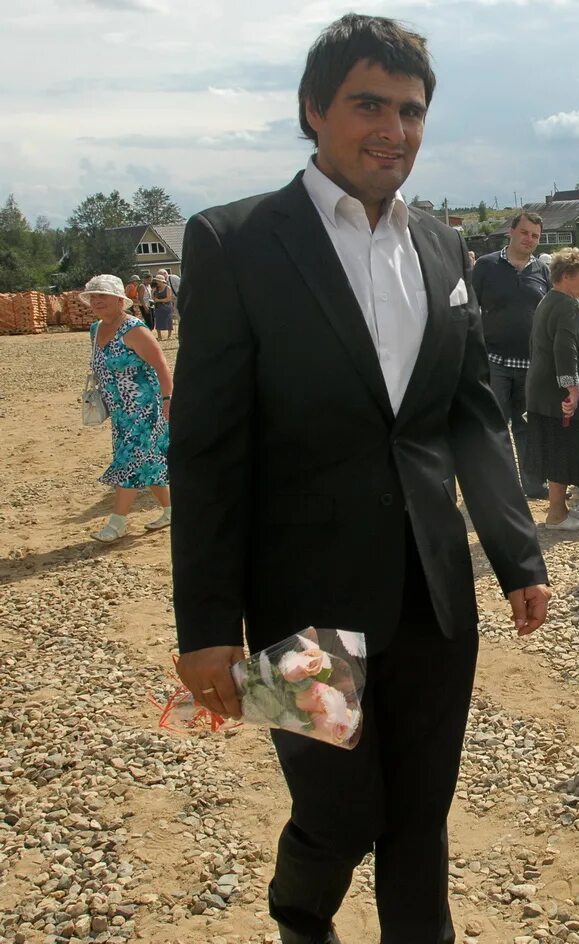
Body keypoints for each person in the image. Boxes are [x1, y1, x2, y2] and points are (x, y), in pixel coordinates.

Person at [168, 16, 551, 944]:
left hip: (432, 588)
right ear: (314, 111)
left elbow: (468, 412)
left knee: (420, 814)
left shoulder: (442, 249)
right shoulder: (236, 241)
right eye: (367, 105)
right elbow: (208, 447)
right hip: (302, 595)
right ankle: (301, 914)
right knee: (341, 811)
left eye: (411, 111)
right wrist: (207, 627)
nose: (394, 129)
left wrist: (516, 552)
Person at [83, 274, 173, 542]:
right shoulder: (95, 329)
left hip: (146, 408)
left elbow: (161, 366)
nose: (96, 301)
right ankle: (171, 511)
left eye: (102, 296)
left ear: (119, 300)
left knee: (129, 461)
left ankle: (117, 523)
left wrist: (168, 401)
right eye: (92, 297)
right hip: (120, 411)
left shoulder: (134, 329)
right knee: (149, 462)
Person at [471, 209, 551, 498]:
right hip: (495, 362)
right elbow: (469, 309)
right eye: (525, 232)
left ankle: (531, 485)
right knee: (494, 426)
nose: (529, 239)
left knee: (527, 428)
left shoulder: (542, 271)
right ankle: (496, 487)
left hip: (531, 365)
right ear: (511, 231)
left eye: (535, 236)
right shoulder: (485, 266)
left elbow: (549, 314)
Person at [524, 248, 579, 530]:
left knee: (557, 447)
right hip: (557, 396)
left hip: (543, 391)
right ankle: (556, 515)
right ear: (566, 276)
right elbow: (563, 346)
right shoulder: (567, 305)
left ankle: (560, 508)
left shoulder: (553, 300)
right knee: (561, 448)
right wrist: (571, 388)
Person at [151, 273, 175, 340]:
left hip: (167, 307)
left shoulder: (168, 288)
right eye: (156, 281)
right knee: (158, 321)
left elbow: (168, 298)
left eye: (158, 281)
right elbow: (153, 298)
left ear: (162, 281)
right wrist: (153, 292)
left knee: (168, 320)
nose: (157, 282)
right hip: (158, 307)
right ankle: (159, 336)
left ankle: (169, 336)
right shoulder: (156, 289)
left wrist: (158, 300)